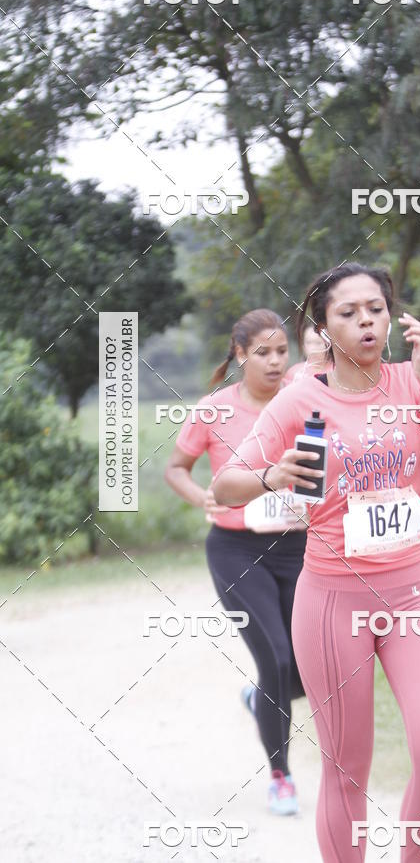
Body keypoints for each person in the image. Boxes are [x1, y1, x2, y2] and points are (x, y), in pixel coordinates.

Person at [213, 263, 420, 862]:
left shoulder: (410, 384)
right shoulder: (301, 398)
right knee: (347, 769)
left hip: (413, 597)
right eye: (348, 313)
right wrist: (271, 475)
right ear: (323, 328)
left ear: (390, 314)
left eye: (375, 308)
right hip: (331, 602)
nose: (365, 321)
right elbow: (225, 485)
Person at [164, 309, 307, 815]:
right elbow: (176, 468)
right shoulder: (215, 409)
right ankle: (281, 776)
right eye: (262, 352)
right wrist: (201, 495)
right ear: (241, 354)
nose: (274, 361)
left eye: (281, 351)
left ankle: (259, 698)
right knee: (275, 657)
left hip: (300, 545)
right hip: (237, 549)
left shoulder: (305, 392)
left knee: (307, 668)